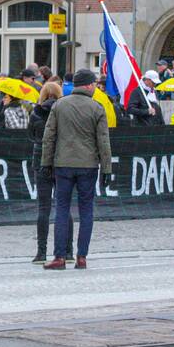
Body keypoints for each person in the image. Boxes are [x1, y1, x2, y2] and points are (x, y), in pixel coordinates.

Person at [41, 69, 112, 270]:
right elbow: (103, 141)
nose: (96, 87)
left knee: (62, 209)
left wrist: (46, 163)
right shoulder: (97, 108)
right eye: (95, 84)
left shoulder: (59, 105)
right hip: (88, 165)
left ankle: (60, 257)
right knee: (86, 210)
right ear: (89, 85)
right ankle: (82, 256)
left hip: (62, 164)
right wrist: (106, 168)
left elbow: (49, 137)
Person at [29, 83, 73, 263]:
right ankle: (68, 251)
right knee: (64, 207)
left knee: (43, 208)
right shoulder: (65, 111)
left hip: (41, 160)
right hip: (61, 160)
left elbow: (30, 136)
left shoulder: (36, 112)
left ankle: (41, 252)